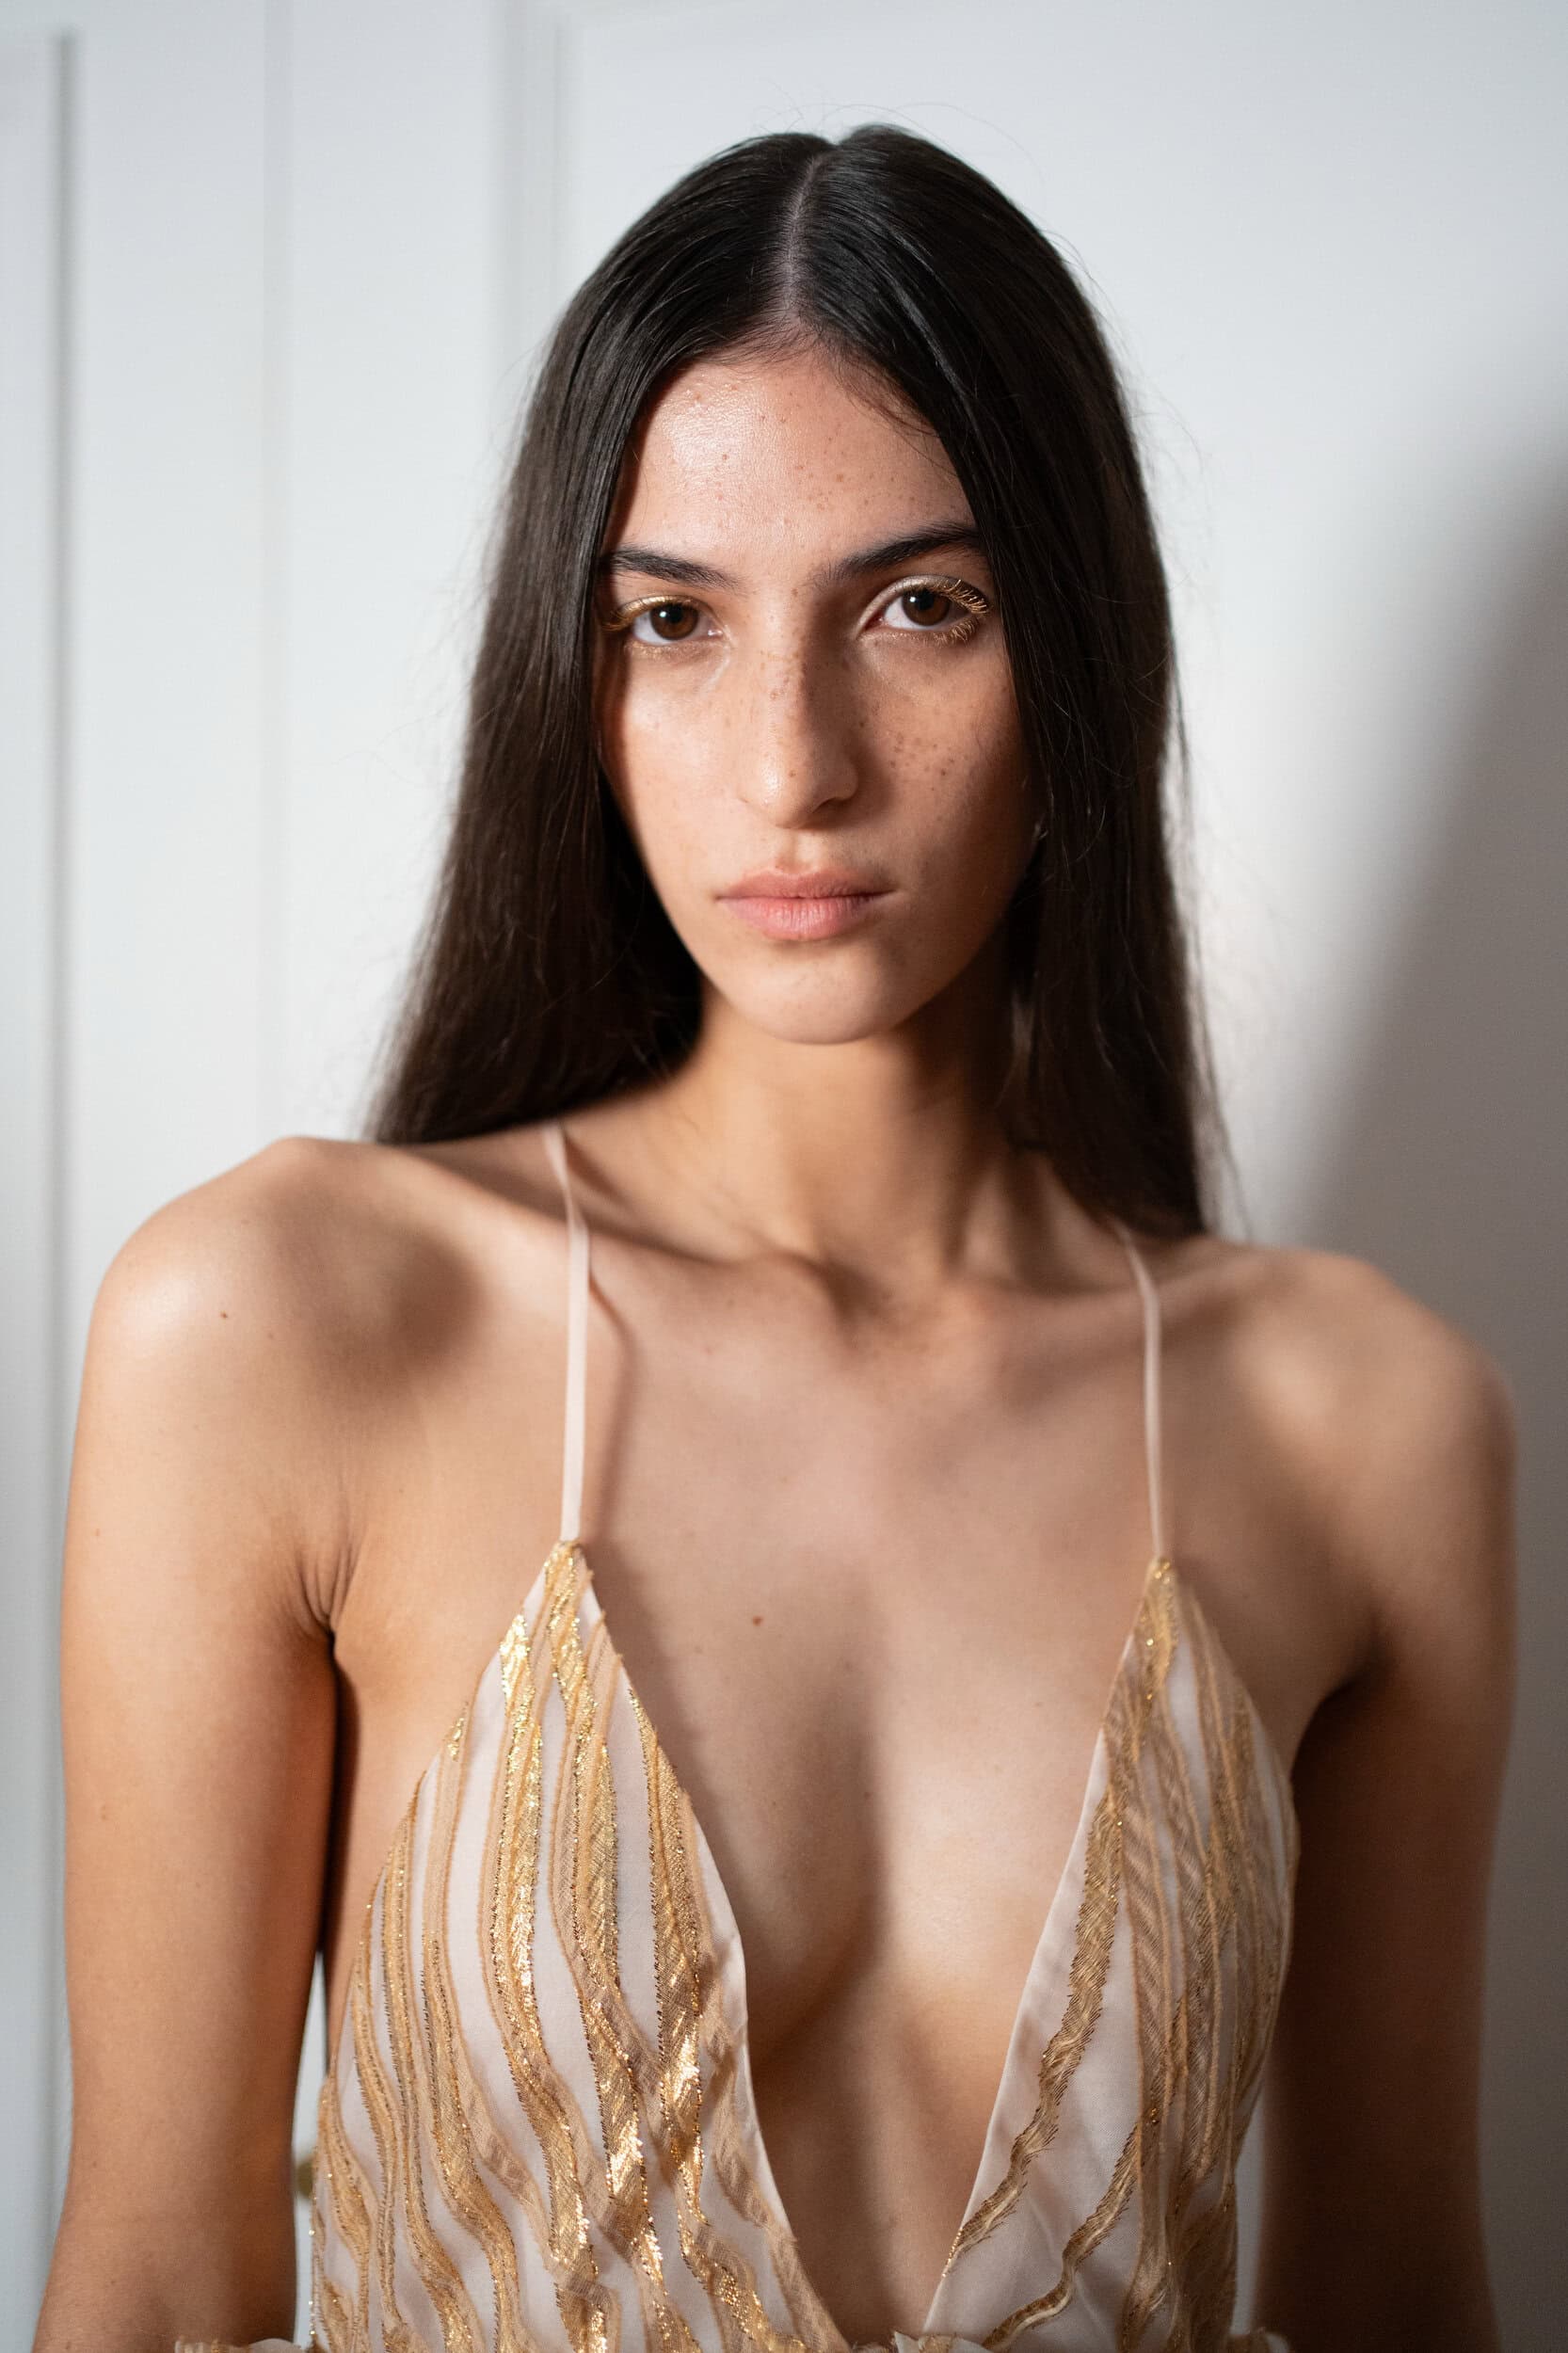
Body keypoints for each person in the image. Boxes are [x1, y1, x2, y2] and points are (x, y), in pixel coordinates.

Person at [34, 123, 1514, 2353]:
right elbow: (154, 2284)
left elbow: (1397, 2298)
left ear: (1075, 646)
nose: (792, 763)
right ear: (576, 673)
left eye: (918, 607)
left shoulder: (1362, 1425)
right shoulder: (289, 1324)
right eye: (674, 621)